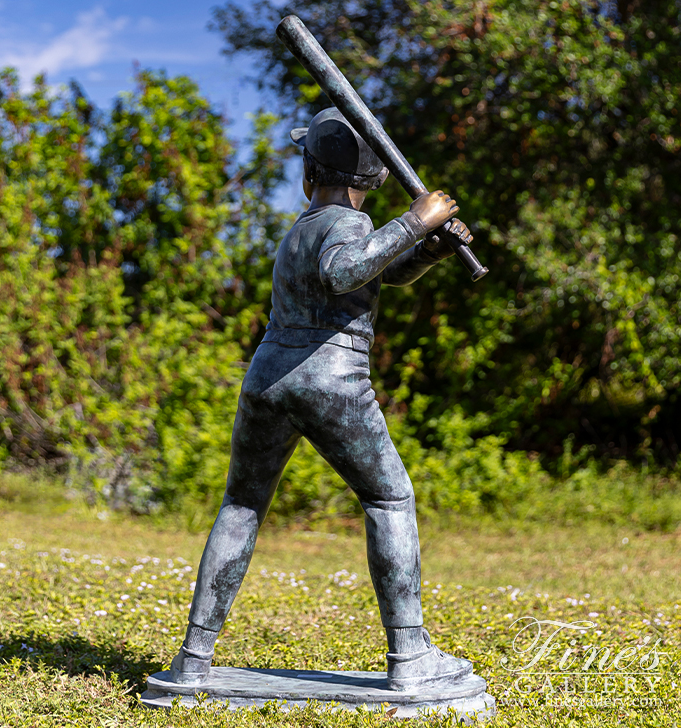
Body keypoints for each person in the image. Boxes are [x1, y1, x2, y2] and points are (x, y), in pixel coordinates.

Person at [170, 108, 475, 691]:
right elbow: (346, 272)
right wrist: (414, 222)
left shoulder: (302, 226)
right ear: (377, 177)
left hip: (268, 376)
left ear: (309, 171)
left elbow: (375, 273)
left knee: (241, 505)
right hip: (329, 375)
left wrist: (428, 249)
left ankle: (195, 656)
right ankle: (411, 658)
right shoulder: (348, 227)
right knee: (390, 500)